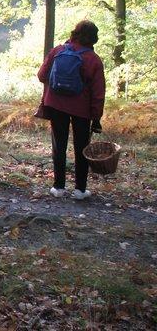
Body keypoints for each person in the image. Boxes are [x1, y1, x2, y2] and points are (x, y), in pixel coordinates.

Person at [37, 20, 106, 200]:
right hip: (81, 109)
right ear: (93, 38)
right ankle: (80, 190)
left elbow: (41, 75)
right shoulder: (93, 59)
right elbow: (98, 93)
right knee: (81, 147)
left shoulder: (58, 51)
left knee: (58, 146)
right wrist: (96, 116)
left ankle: (58, 188)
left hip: (55, 104)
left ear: (74, 33)